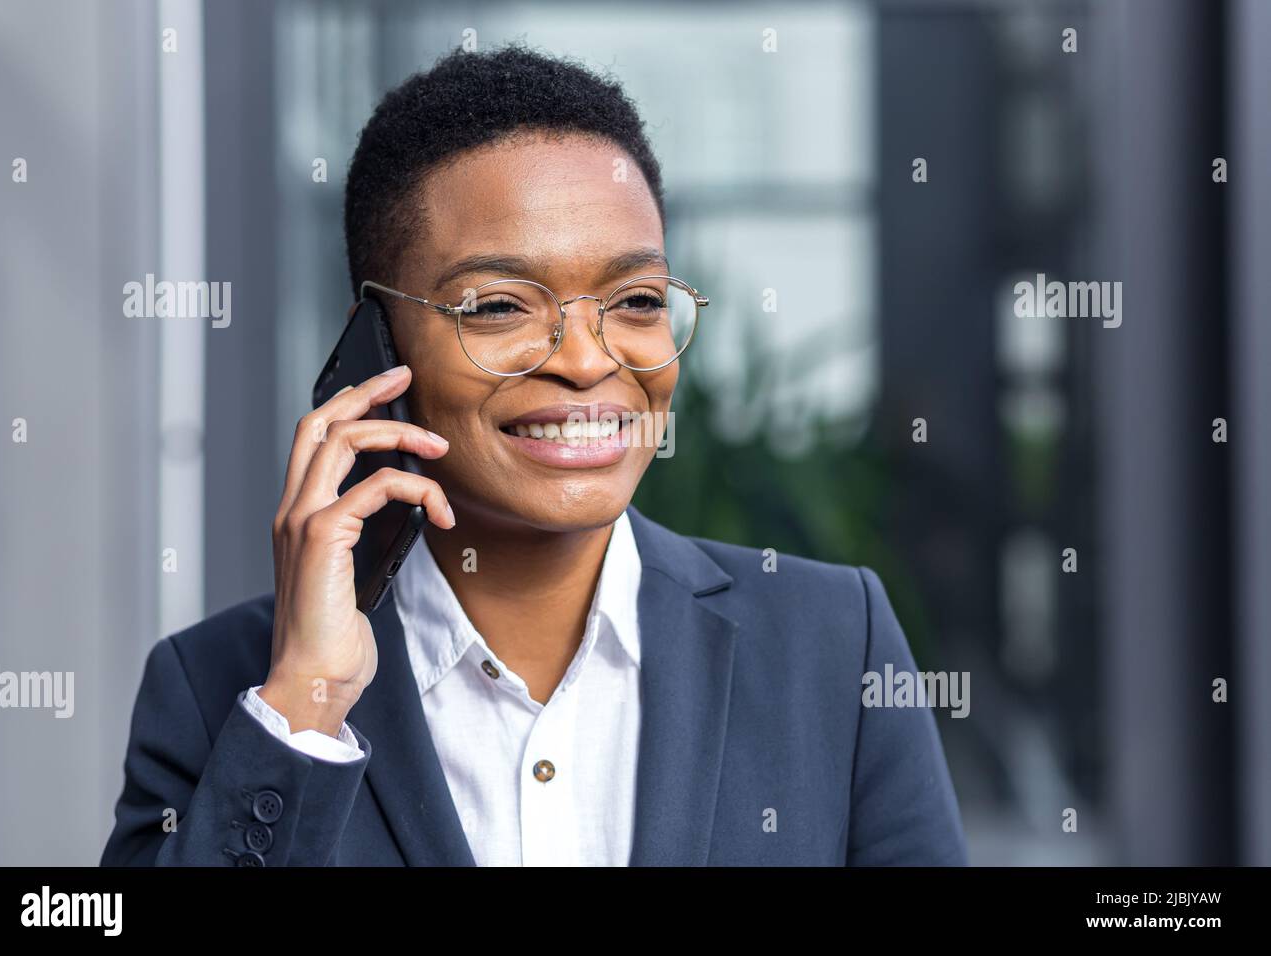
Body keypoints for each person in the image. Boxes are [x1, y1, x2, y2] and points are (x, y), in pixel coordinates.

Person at [101, 43, 967, 867]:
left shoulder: (831, 642)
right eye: (499, 307)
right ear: (376, 342)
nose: (588, 361)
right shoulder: (222, 688)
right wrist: (305, 711)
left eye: (633, 298)